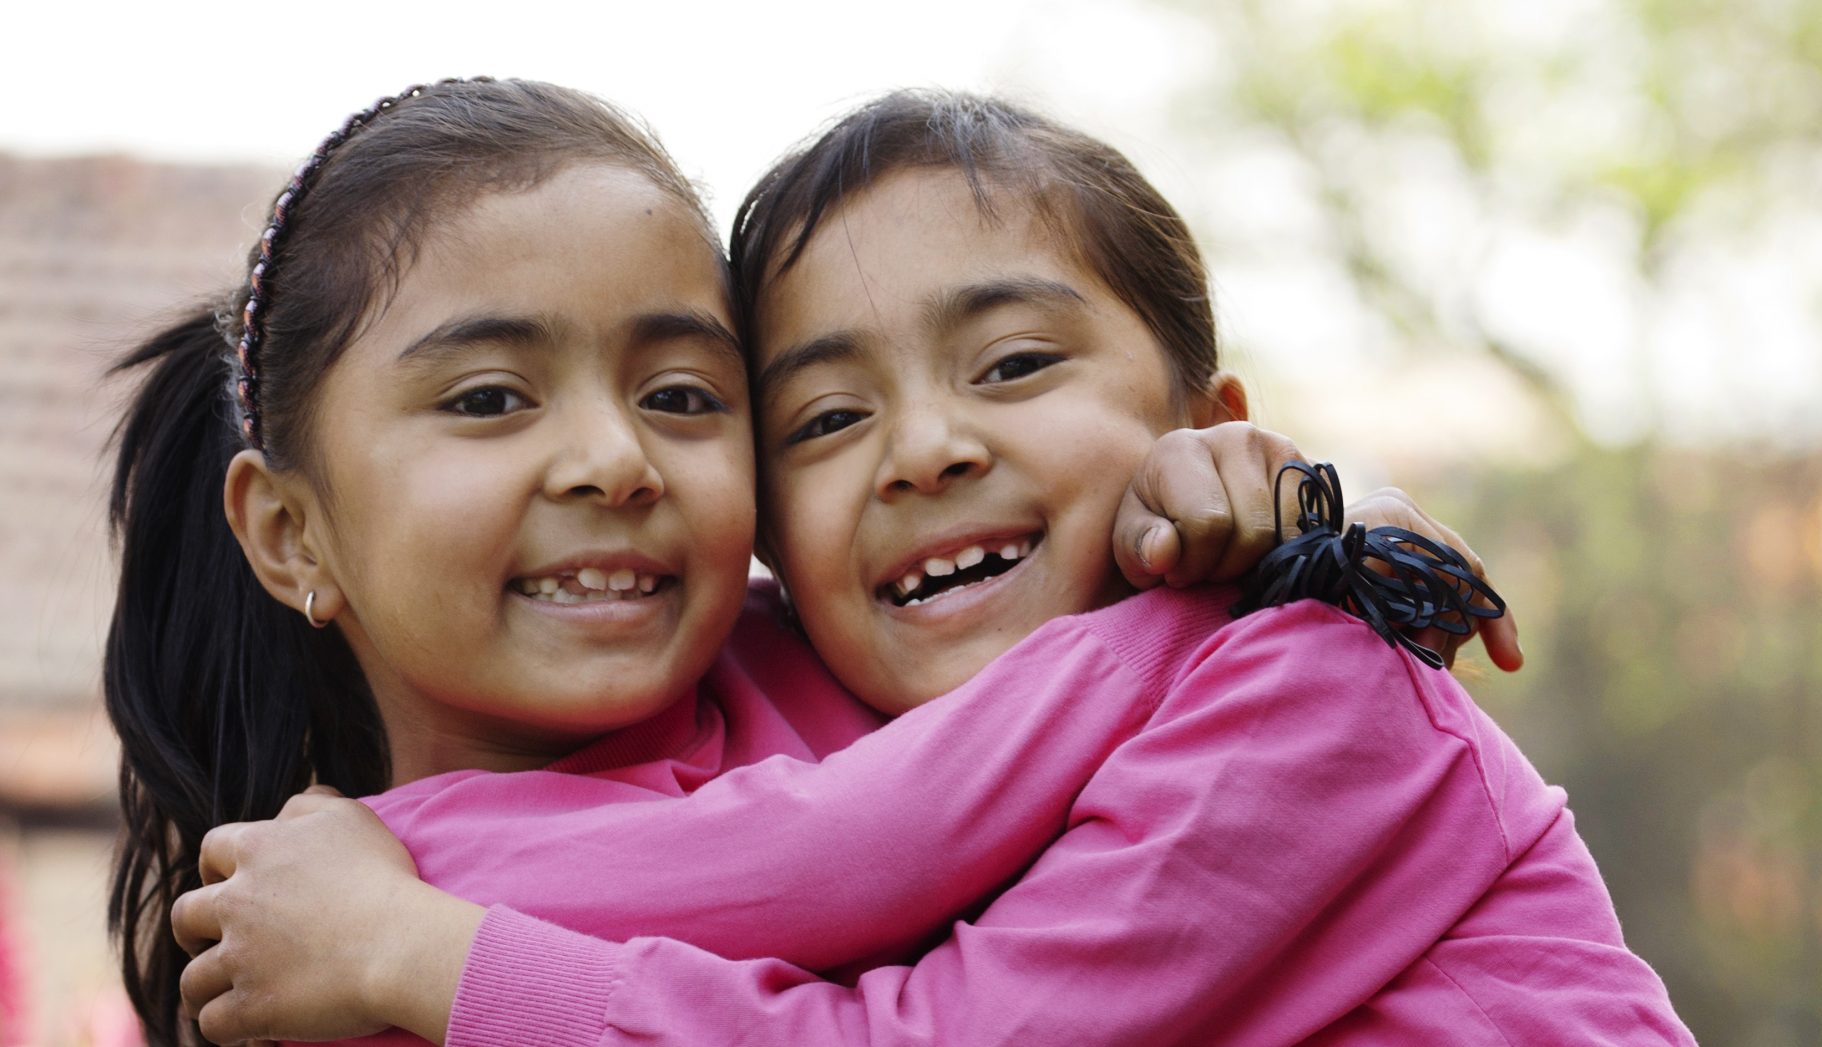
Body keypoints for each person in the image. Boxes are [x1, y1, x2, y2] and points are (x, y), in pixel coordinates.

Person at [163, 88, 1690, 1045]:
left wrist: (424, 947)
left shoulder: (1316, 676)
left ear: (1204, 426)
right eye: (824, 417)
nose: (926, 448)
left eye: (1016, 363)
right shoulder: (789, 690)